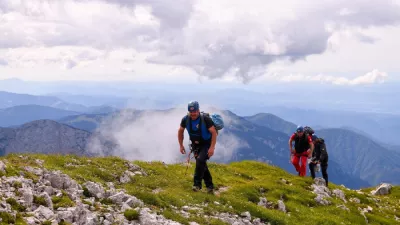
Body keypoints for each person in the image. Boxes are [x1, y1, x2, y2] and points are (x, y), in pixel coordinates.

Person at [177, 101, 218, 193]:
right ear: (188, 111)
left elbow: (214, 132)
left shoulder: (205, 119)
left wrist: (212, 148)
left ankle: (197, 185)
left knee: (200, 161)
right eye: (191, 112)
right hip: (195, 145)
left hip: (206, 144)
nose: (193, 114)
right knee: (202, 164)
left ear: (198, 110)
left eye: (195, 111)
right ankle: (210, 187)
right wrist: (181, 145)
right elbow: (180, 131)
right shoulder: (185, 119)